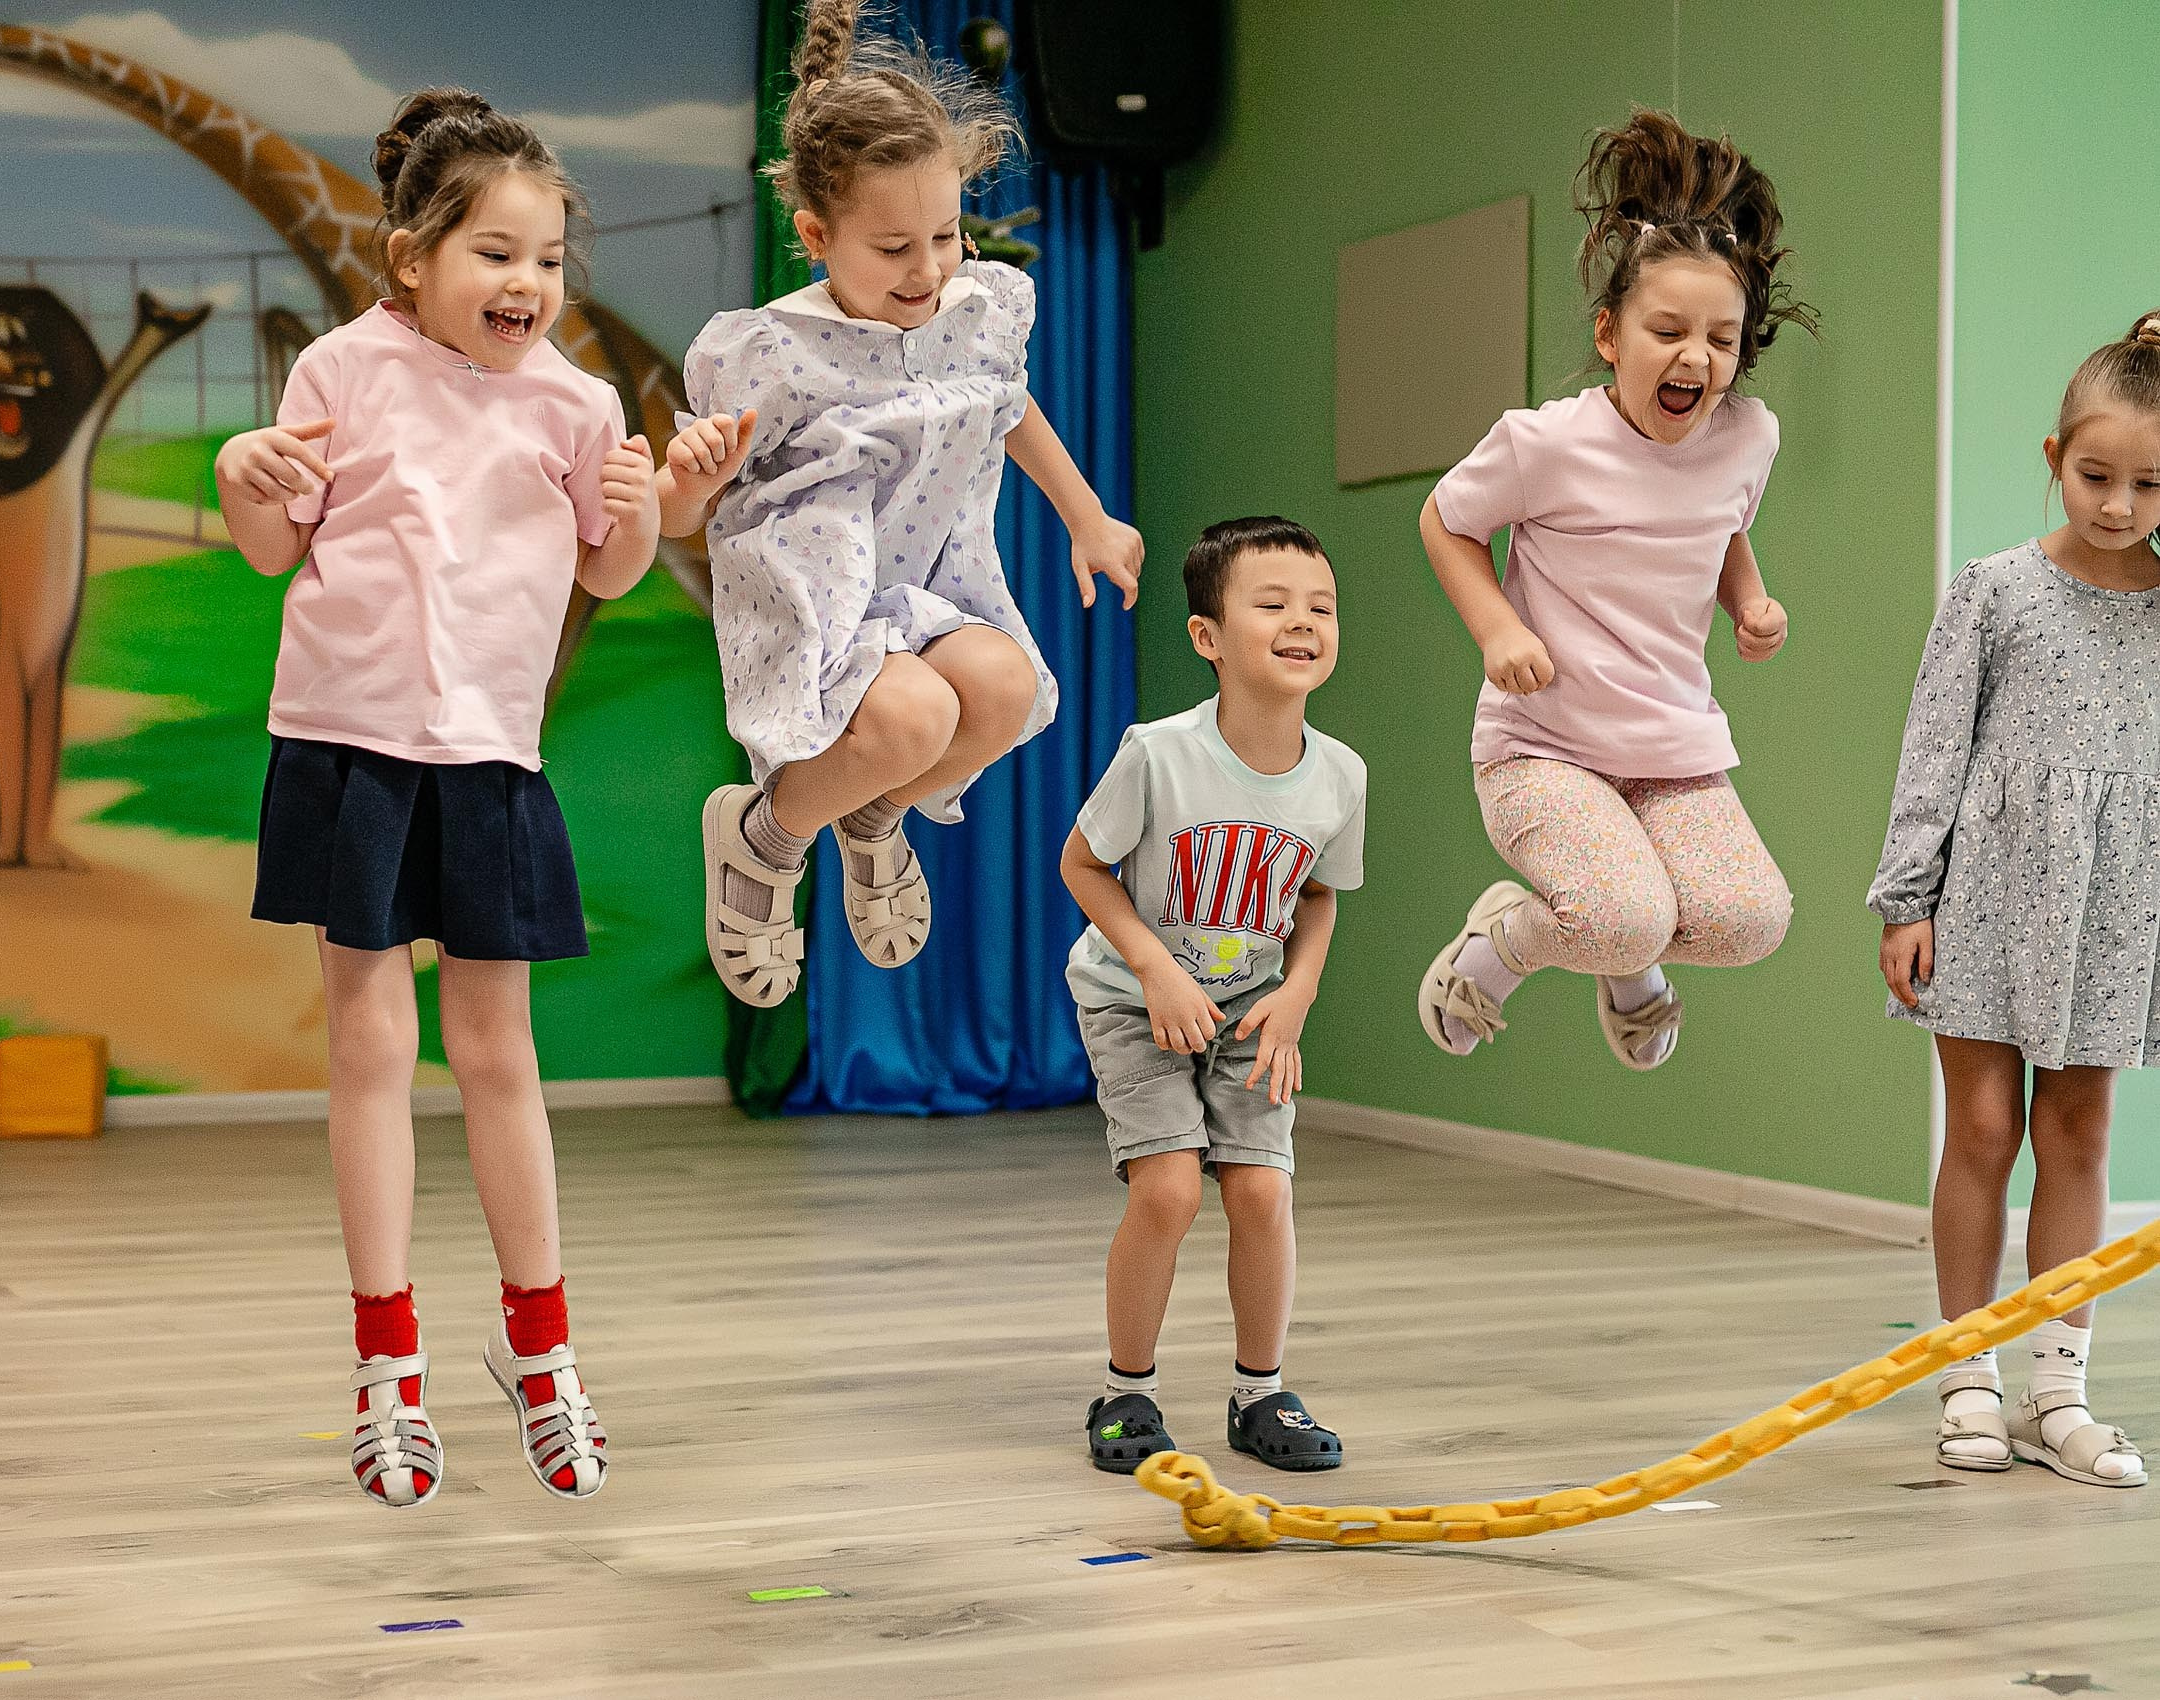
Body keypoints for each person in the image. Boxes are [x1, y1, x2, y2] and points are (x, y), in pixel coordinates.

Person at [214, 88, 661, 1508]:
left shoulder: (579, 403)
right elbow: (270, 547)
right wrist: (239, 470)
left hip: (489, 762)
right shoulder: (340, 368)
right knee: (368, 1049)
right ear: (411, 257)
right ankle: (385, 1366)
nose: (528, 282)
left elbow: (609, 569)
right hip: (345, 751)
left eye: (548, 259)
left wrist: (647, 499)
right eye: (496, 252)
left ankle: (541, 1350)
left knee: (497, 1057)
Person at [662, 0, 1143, 1009]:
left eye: (945, 234)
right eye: (892, 248)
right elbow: (678, 517)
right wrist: (691, 477)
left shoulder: (974, 309)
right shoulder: (770, 350)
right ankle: (763, 838)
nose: (927, 268)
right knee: (915, 718)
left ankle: (871, 817)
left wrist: (1087, 516)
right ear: (816, 235)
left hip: (926, 580)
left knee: (1005, 691)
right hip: (819, 597)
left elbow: (1005, 404)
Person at [1415, 109, 1809, 1072]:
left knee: (1752, 920)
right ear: (1609, 334)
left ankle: (1614, 939)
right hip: (1542, 746)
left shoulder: (1747, 436)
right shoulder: (1546, 443)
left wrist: (1749, 601)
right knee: (1623, 914)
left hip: (1670, 750)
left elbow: (1722, 525)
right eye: (1667, 331)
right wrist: (1497, 629)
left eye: (1721, 340)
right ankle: (1506, 944)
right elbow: (1445, 520)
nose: (1695, 357)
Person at [1870, 311, 2160, 1490]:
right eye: (2097, 475)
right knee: (1984, 1130)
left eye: (2150, 483)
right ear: (2054, 457)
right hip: (1989, 895)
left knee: (2077, 1135)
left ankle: (2058, 1391)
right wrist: (1908, 896)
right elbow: (1933, 750)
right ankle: (1968, 1375)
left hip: (2115, 908)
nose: (2120, 504)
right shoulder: (1992, 592)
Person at [1059, 517, 1362, 1476]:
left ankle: (1259, 1395)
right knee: (1170, 1189)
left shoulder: (1341, 774)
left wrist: (1299, 993)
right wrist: (1155, 969)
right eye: (1272, 604)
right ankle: (1127, 1391)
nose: (1302, 622)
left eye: (1320, 606)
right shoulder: (1158, 753)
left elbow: (1319, 896)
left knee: (1263, 1191)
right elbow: (1082, 865)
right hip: (1131, 997)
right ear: (1208, 637)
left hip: (1252, 1010)